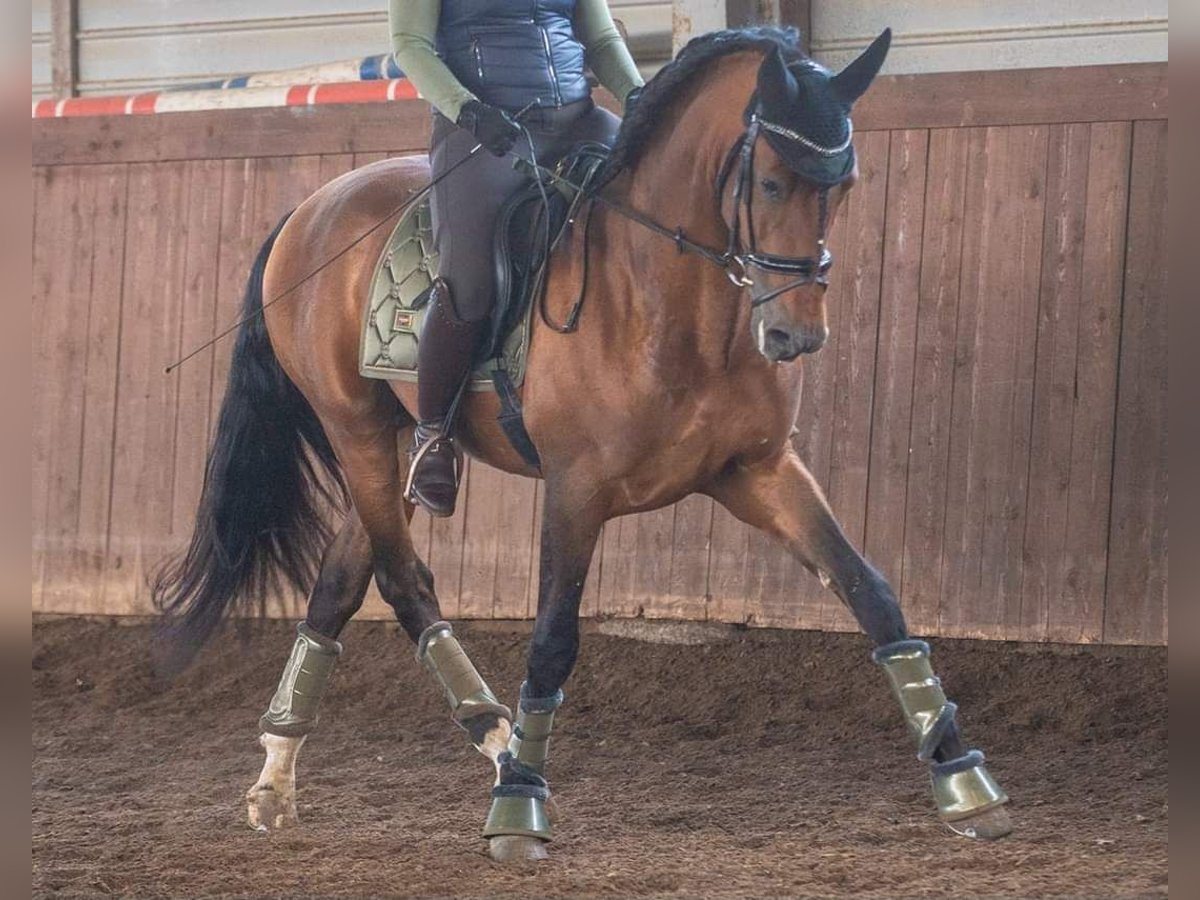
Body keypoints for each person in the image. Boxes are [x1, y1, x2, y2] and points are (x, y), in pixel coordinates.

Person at [389, 0, 644, 517]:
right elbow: (410, 46)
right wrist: (466, 109)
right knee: (472, 278)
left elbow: (599, 38)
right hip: (485, 127)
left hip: (579, 119)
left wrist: (639, 97)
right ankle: (432, 433)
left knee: (659, 203)